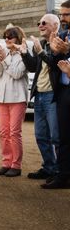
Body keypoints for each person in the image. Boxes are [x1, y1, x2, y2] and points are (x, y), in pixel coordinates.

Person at [22, 13, 61, 180]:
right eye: (39, 23)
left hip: (53, 95)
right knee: (40, 136)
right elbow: (32, 68)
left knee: (56, 137)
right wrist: (25, 53)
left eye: (44, 23)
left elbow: (56, 65)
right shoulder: (41, 44)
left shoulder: (59, 42)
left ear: (55, 25)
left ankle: (61, 172)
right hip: (39, 95)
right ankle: (49, 167)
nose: (40, 25)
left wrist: (40, 53)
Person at [0, 26, 29, 177]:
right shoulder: (4, 54)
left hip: (17, 98)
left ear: (17, 39)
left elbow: (17, 73)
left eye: (10, 37)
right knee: (3, 132)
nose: (7, 40)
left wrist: (4, 60)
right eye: (5, 37)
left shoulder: (23, 55)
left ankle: (16, 165)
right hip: (1, 99)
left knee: (14, 132)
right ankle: (6, 162)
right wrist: (0, 62)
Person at [42, 10, 70, 189]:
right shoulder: (63, 35)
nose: (62, 18)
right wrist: (56, 52)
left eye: (66, 14)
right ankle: (64, 175)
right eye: (61, 14)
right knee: (64, 136)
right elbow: (55, 64)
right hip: (64, 90)